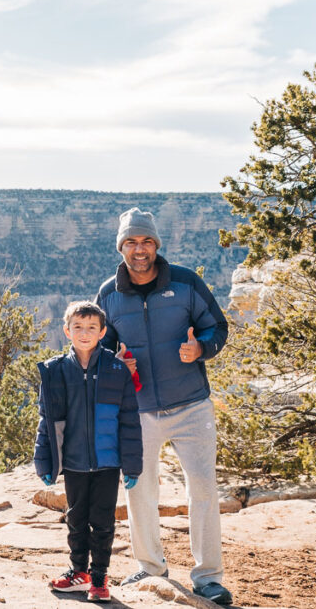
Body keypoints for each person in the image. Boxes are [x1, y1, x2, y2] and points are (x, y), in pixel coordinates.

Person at [95, 207, 232, 606]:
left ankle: (208, 577)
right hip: (137, 411)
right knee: (139, 488)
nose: (140, 250)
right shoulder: (108, 293)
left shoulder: (187, 283)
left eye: (147, 241)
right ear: (121, 247)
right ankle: (150, 566)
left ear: (156, 244)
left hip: (192, 406)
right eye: (132, 242)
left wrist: (200, 348)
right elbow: (99, 345)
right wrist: (115, 363)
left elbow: (217, 327)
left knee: (204, 487)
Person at [34, 300, 143, 603]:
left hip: (108, 463)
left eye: (92, 327)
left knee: (103, 521)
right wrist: (44, 461)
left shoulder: (116, 370)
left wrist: (132, 467)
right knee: (76, 519)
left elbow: (130, 422)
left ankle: (99, 579)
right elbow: (47, 420)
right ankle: (78, 572)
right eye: (78, 327)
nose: (85, 333)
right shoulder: (55, 372)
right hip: (74, 462)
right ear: (67, 330)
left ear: (102, 331)